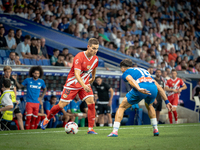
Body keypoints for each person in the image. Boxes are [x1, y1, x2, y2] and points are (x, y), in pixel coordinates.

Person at [41, 38, 99, 134]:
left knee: (91, 103)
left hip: (84, 84)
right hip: (72, 84)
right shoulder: (79, 57)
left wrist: (92, 77)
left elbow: (94, 67)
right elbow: (77, 74)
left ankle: (91, 129)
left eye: (97, 49)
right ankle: (47, 119)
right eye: (93, 48)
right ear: (88, 47)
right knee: (61, 105)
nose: (95, 51)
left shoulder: (95, 58)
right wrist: (84, 85)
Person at [108, 59, 172, 137]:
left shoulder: (126, 72)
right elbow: (159, 88)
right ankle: (155, 129)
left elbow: (131, 80)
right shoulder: (144, 70)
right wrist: (167, 102)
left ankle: (114, 131)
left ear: (122, 68)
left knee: (121, 107)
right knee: (150, 106)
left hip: (141, 87)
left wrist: (138, 88)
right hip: (153, 88)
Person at [0, 66, 24, 130]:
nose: (8, 73)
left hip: (13, 101)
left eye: (9, 72)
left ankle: (23, 131)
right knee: (5, 119)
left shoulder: (13, 80)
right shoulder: (1, 80)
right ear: (4, 72)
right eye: (7, 72)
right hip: (5, 101)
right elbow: (2, 89)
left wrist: (14, 99)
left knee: (19, 115)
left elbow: (15, 90)